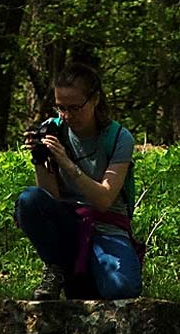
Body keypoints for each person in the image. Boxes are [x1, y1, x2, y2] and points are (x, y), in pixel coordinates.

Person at [14, 63, 143, 300]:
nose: (67, 116)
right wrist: (40, 159)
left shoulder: (118, 138)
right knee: (29, 200)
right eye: (60, 108)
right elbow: (51, 196)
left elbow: (104, 199)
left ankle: (81, 278)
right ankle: (57, 267)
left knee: (122, 289)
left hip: (107, 225)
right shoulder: (53, 130)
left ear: (94, 100)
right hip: (69, 222)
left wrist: (67, 164)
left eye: (75, 108)